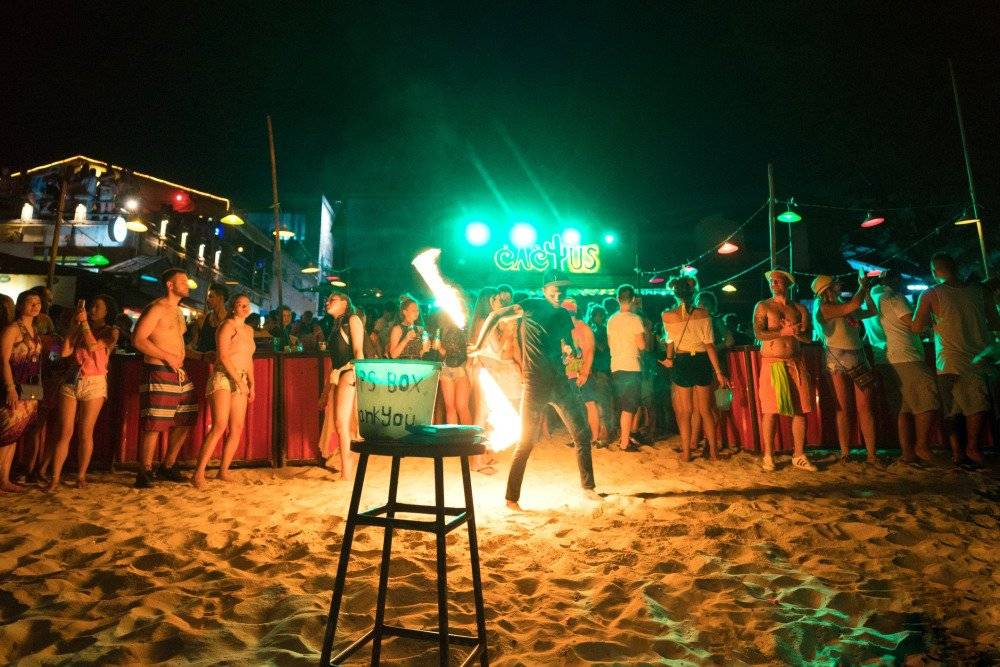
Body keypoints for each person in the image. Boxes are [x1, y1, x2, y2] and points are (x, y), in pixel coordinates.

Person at [472, 270, 596, 511]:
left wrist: (577, 369)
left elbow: (567, 347)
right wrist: (477, 346)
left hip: (561, 382)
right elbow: (495, 316)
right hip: (536, 383)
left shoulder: (562, 315)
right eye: (555, 288)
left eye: (563, 289)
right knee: (526, 441)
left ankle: (589, 488)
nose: (559, 293)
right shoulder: (529, 305)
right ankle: (511, 499)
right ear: (544, 289)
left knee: (581, 434)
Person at [912, 252, 1000, 465]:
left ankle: (958, 452)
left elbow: (916, 327)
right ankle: (973, 448)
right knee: (978, 406)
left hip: (948, 359)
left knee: (954, 409)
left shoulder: (931, 294)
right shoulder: (980, 291)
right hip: (978, 358)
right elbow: (996, 323)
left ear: (935, 270)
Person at [131, 268, 199, 488]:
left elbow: (178, 344)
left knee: (186, 416)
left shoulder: (178, 311)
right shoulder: (157, 308)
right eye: (183, 281)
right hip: (159, 370)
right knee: (155, 422)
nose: (187, 285)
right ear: (170, 285)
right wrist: (167, 357)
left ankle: (168, 465)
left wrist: (199, 355)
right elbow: (138, 339)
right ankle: (145, 470)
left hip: (178, 372)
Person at [862, 272, 940, 463]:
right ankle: (921, 446)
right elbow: (914, 326)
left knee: (903, 408)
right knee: (928, 398)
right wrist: (929, 318)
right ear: (891, 281)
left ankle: (907, 453)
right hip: (906, 356)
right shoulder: (894, 297)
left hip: (884, 359)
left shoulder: (869, 300)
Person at [45, 295, 119, 490]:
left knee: (85, 431)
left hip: (93, 383)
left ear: (107, 311)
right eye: (91, 306)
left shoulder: (111, 331)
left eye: (97, 307)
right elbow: (64, 352)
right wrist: (74, 327)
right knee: (64, 431)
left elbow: (94, 346)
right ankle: (55, 478)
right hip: (71, 380)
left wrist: (84, 324)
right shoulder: (80, 328)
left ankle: (80, 476)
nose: (92, 310)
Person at [753, 270, 818, 472]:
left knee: (801, 408)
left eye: (778, 281)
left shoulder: (799, 309)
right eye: (772, 281)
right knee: (771, 410)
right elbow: (758, 333)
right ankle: (768, 455)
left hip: (795, 362)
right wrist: (782, 331)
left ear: (787, 284)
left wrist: (797, 332)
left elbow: (809, 337)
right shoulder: (763, 306)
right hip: (772, 363)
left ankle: (799, 454)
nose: (774, 284)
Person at [812, 272, 879, 464]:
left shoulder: (842, 306)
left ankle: (871, 454)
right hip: (837, 358)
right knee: (844, 408)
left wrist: (865, 291)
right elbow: (856, 306)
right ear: (827, 290)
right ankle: (846, 452)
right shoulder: (824, 308)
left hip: (856, 355)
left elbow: (871, 311)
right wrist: (863, 286)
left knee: (865, 408)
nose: (839, 284)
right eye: (835, 283)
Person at [192, 294, 257, 488]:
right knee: (220, 425)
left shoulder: (249, 330)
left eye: (247, 305)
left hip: (242, 378)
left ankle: (223, 471)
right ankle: (198, 473)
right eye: (240, 305)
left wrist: (251, 383)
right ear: (233, 307)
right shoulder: (227, 326)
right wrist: (240, 381)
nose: (244, 308)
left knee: (236, 428)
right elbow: (223, 356)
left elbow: (248, 359)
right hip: (223, 376)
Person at [661, 275, 728, 461]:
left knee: (685, 412)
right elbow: (709, 345)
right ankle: (714, 453)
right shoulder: (704, 314)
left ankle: (687, 452)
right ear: (694, 292)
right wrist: (719, 372)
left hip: (682, 362)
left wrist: (668, 359)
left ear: (675, 293)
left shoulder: (667, 316)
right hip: (701, 361)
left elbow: (670, 341)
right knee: (706, 411)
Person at [316, 291, 365, 479]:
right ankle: (347, 465)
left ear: (345, 303)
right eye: (327, 299)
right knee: (341, 423)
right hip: (340, 373)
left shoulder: (352, 320)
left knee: (341, 422)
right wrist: (324, 392)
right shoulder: (336, 325)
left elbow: (358, 351)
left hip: (349, 371)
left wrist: (358, 377)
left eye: (332, 299)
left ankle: (347, 470)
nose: (327, 302)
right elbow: (333, 362)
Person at [1, 290, 44, 493]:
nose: (35, 306)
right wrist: (9, 387)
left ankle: (5, 478)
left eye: (38, 302)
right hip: (14, 386)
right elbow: (3, 360)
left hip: (29, 387)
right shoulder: (12, 330)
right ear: (20, 305)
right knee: (6, 433)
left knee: (15, 433)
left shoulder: (34, 330)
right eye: (30, 302)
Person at [606, 284, 646, 452]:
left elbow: (609, 344)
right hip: (631, 365)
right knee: (629, 407)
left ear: (618, 299)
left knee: (623, 406)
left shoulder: (611, 319)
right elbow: (642, 345)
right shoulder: (635, 319)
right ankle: (624, 443)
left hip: (616, 365)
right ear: (633, 299)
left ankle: (624, 437)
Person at [562, 298, 601, 449]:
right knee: (576, 406)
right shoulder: (567, 329)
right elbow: (568, 354)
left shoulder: (583, 328)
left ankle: (594, 439)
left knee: (589, 404)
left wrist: (584, 373)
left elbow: (589, 352)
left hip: (582, 373)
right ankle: (580, 438)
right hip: (571, 372)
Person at [585, 303, 612, 445]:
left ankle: (604, 435)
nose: (599, 318)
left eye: (601, 315)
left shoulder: (603, 330)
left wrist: (591, 338)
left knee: (602, 404)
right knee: (594, 404)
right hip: (593, 371)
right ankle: (597, 435)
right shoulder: (593, 329)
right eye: (597, 315)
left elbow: (602, 347)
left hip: (601, 371)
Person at [187, 283, 228, 362]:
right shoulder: (201, 320)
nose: (207, 300)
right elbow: (193, 344)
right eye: (208, 297)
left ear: (220, 298)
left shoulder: (230, 321)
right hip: (202, 364)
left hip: (219, 365)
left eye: (211, 297)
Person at [387, 294, 429, 360]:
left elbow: (420, 354)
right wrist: (406, 339)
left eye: (417, 310)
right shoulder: (397, 329)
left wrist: (425, 349)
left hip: (417, 365)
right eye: (413, 310)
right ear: (405, 312)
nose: (416, 313)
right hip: (403, 367)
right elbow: (393, 355)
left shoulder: (420, 329)